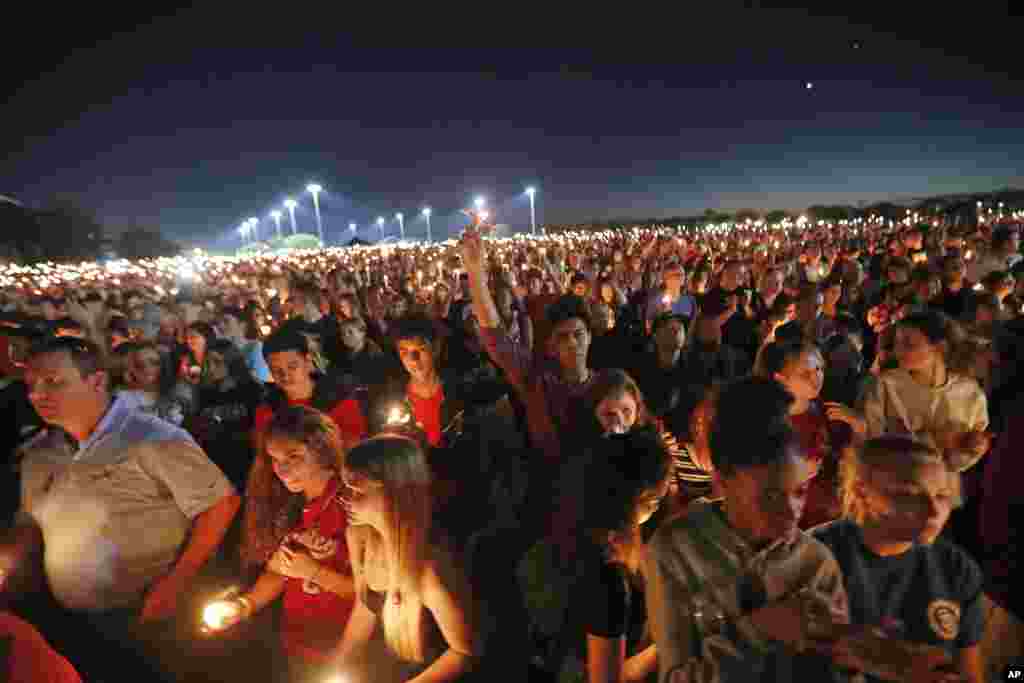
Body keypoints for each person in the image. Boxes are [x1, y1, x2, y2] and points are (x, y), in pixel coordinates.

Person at [6, 336, 240, 682]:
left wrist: (176, 582)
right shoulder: (40, 452)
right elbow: (31, 523)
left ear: (97, 380)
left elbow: (220, 504)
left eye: (54, 382)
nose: (38, 394)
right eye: (31, 385)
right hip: (69, 621)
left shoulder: (153, 438)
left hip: (143, 618)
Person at [643, 377, 850, 682]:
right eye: (769, 496)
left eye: (799, 492)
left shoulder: (816, 563)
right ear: (724, 480)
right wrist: (761, 629)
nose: (791, 510)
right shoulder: (677, 550)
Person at [812, 436, 985, 683]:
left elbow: (970, 674)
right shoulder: (812, 557)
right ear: (863, 493)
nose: (934, 511)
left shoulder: (956, 567)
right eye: (910, 494)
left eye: (941, 496)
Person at [206, 406, 356, 681]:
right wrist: (244, 605)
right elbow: (279, 571)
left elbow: (374, 594)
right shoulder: (292, 507)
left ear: (323, 450)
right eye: (275, 459)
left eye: (294, 456)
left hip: (343, 654)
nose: (282, 470)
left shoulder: (354, 506)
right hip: (298, 647)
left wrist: (313, 572)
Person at [334, 436, 481, 682]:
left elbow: (465, 652)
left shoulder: (428, 565)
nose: (343, 497)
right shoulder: (359, 537)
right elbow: (365, 606)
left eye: (356, 489)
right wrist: (339, 660)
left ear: (395, 491)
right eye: (344, 486)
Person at [860, 311, 990, 474]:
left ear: (940, 348)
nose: (898, 351)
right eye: (896, 343)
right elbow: (871, 446)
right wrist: (929, 439)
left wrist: (969, 449)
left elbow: (965, 459)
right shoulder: (885, 384)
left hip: (942, 491)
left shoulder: (971, 393)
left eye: (908, 344)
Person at [255, 327, 368, 451]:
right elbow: (263, 457)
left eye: (292, 366)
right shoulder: (268, 410)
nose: (285, 375)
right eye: (276, 370)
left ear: (308, 361)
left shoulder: (338, 398)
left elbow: (354, 450)